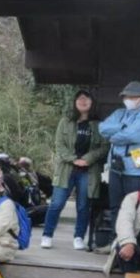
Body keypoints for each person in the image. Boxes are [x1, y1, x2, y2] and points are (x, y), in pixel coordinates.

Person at [41, 89, 106, 250]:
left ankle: (78, 237)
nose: (83, 102)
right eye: (79, 100)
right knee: (56, 203)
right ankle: (47, 235)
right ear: (75, 103)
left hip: (88, 171)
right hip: (66, 169)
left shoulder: (99, 124)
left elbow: (105, 147)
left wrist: (87, 159)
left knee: (83, 206)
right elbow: (59, 145)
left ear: (92, 103)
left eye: (86, 99)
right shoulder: (65, 121)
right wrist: (74, 159)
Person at [99, 81, 140, 233]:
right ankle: (115, 242)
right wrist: (123, 128)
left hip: (136, 170)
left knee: (134, 207)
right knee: (115, 206)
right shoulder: (120, 113)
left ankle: (130, 242)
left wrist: (114, 135)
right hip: (116, 167)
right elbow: (103, 128)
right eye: (126, 96)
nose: (128, 99)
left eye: (132, 96)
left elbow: (133, 135)